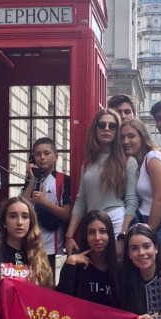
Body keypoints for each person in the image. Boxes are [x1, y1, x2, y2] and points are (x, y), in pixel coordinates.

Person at [64, 109, 138, 255]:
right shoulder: (87, 163)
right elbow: (81, 200)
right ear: (95, 129)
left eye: (112, 126)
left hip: (116, 221)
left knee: (116, 271)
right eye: (102, 125)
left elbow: (132, 201)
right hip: (91, 224)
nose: (106, 129)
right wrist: (69, 235)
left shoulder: (128, 161)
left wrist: (123, 236)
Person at [121, 118, 161, 264]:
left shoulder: (153, 158)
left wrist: (148, 235)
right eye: (122, 137)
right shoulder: (140, 164)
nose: (125, 141)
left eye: (131, 136)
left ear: (142, 137)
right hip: (149, 221)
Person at [21, 137, 72, 272]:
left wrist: (45, 202)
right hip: (29, 245)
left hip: (53, 247)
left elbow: (67, 214)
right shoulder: (31, 180)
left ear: (55, 157)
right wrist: (31, 179)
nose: (42, 158)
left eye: (46, 153)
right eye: (37, 154)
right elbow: (21, 205)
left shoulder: (62, 180)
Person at [56, 210, 119, 307]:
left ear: (109, 235)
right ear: (85, 236)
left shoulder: (119, 268)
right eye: (91, 232)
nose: (97, 237)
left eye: (102, 231)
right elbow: (61, 302)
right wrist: (70, 263)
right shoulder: (74, 264)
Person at [0, 196, 54, 288]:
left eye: (25, 217)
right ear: (4, 221)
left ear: (30, 222)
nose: (19, 222)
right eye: (13, 216)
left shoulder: (38, 253)